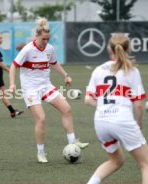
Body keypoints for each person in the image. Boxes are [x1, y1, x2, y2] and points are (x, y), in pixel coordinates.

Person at [9, 17, 89, 163]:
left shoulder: (50, 49)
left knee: (67, 109)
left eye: (48, 39)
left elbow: (54, 63)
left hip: (46, 86)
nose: (46, 42)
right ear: (37, 36)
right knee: (41, 118)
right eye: (44, 39)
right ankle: (40, 152)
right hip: (31, 89)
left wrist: (66, 75)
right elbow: (14, 66)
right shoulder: (27, 49)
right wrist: (12, 84)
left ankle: (73, 142)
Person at [85, 33, 148, 184]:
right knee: (146, 164)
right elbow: (138, 105)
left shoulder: (97, 70)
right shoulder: (131, 70)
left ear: (108, 49)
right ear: (129, 49)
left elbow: (88, 100)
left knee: (116, 161)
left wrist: (105, 107)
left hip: (101, 122)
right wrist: (139, 122)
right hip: (122, 120)